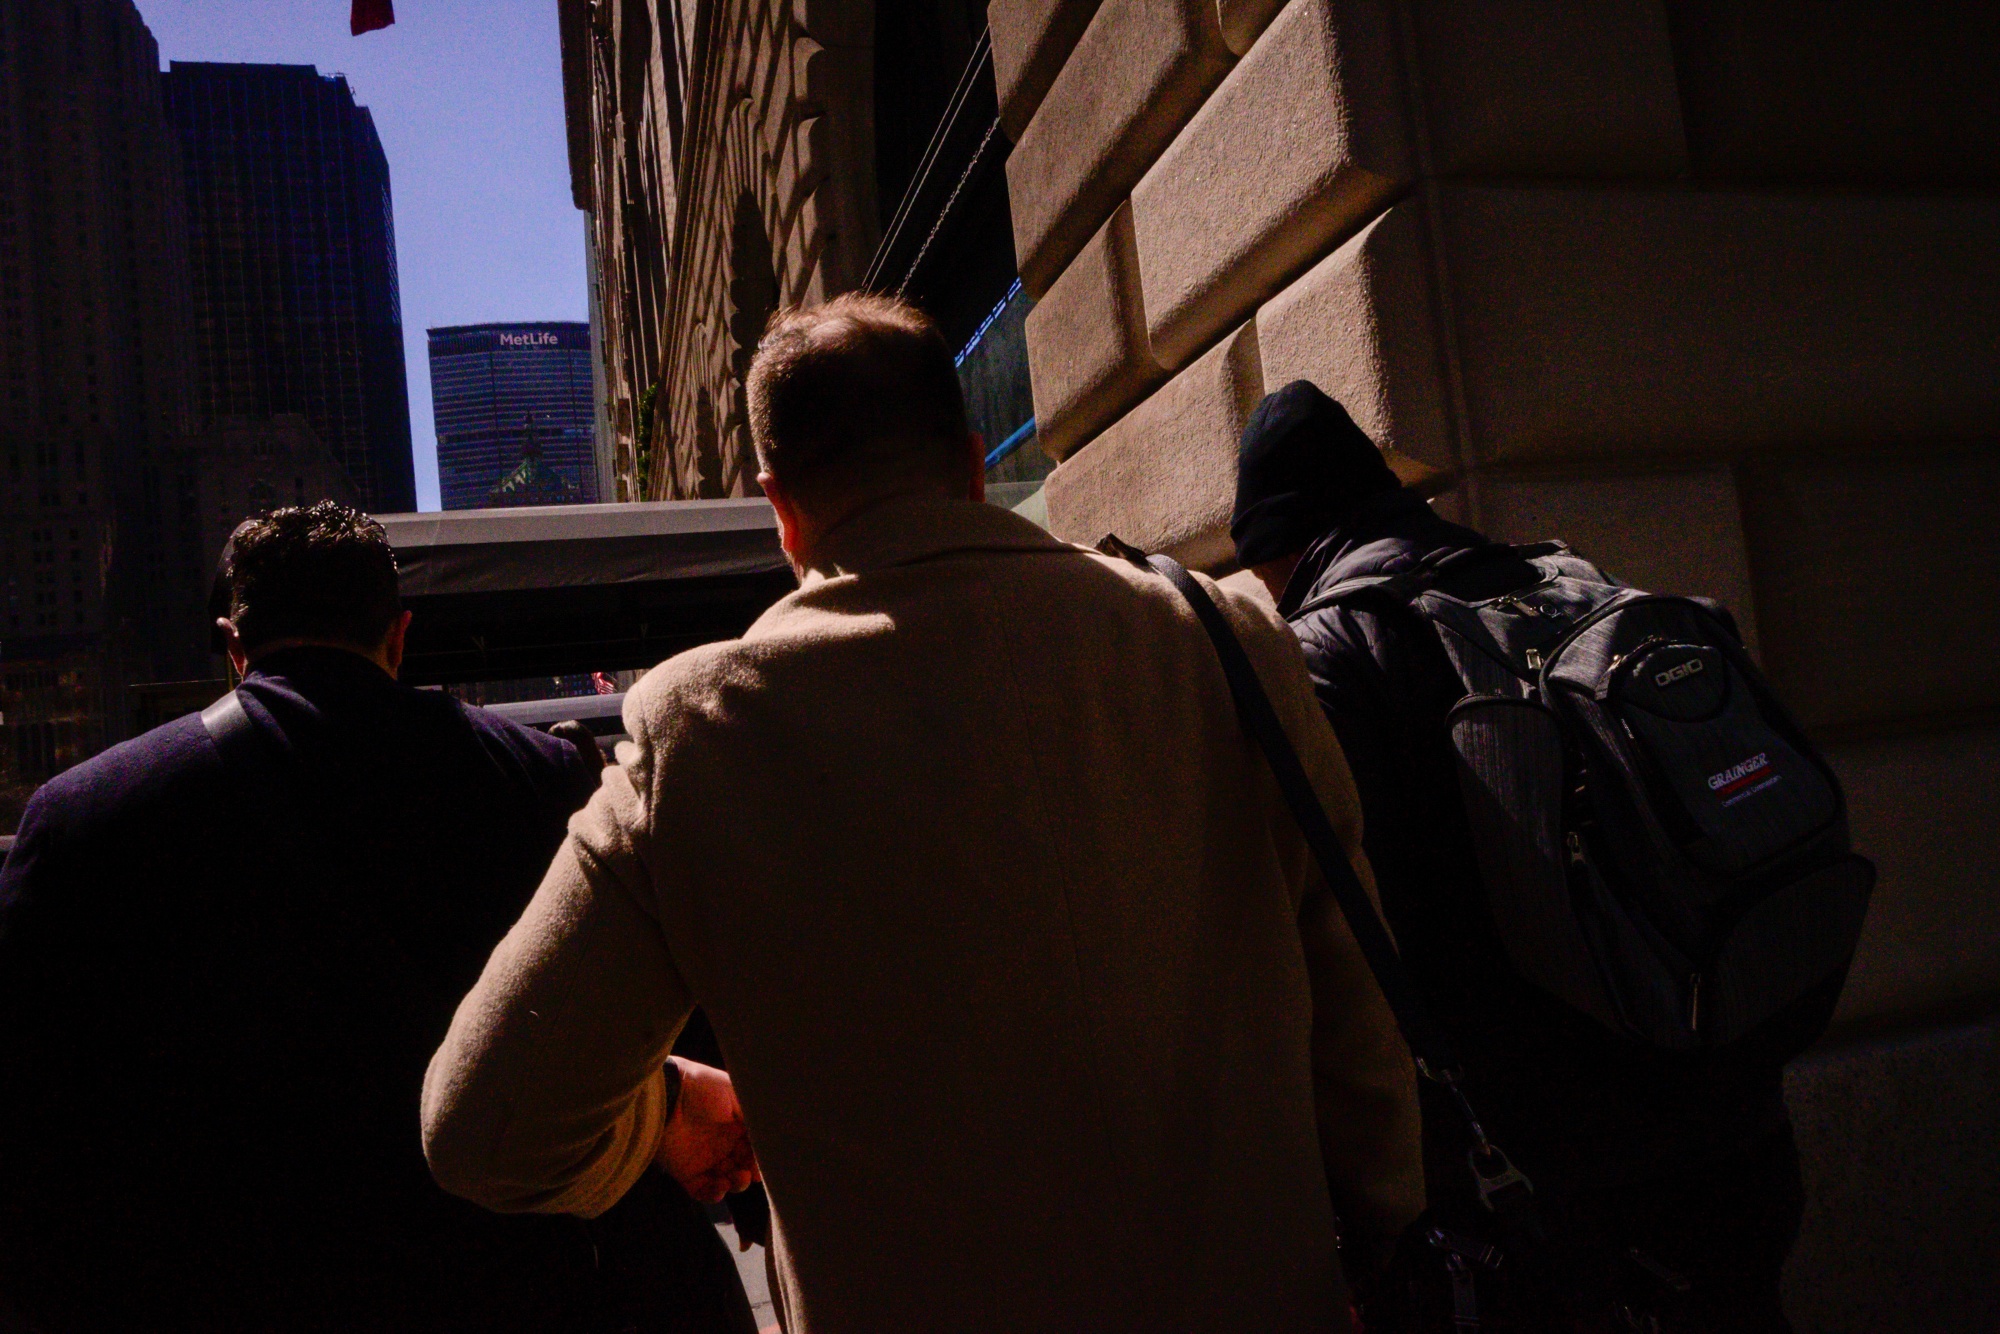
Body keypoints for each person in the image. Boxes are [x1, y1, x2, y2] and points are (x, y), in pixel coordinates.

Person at [421, 294, 1424, 1332]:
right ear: (973, 462)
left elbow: (484, 1133)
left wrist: (667, 1112)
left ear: (779, 507)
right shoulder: (1219, 637)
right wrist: (1379, 1232)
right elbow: (1358, 1025)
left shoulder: (699, 732)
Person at [0, 502, 758, 1333]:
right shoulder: (546, 780)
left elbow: (38, 1131)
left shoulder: (83, 821)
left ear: (233, 646)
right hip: (517, 1288)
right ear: (398, 636)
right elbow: (648, 1017)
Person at [1231, 382, 1806, 1331]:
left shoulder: (1328, 654)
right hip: (1734, 1124)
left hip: (1560, 1201)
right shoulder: (1556, 580)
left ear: (1285, 550)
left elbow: (1339, 961)